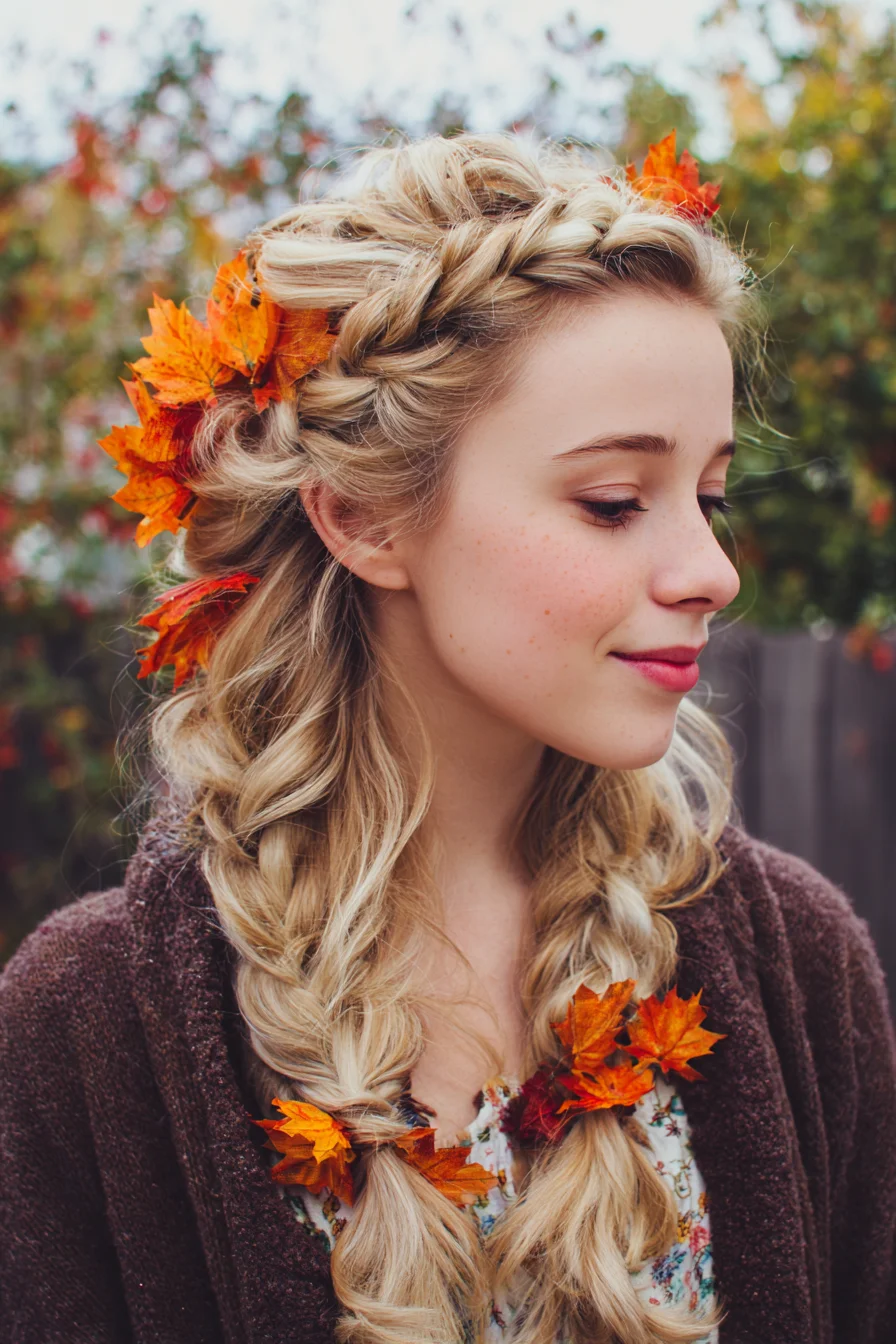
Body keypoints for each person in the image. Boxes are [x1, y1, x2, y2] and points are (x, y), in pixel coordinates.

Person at [1, 130, 894, 1344]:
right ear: (365, 519)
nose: (711, 571)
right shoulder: (88, 1033)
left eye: (709, 496)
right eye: (613, 502)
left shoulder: (799, 972)